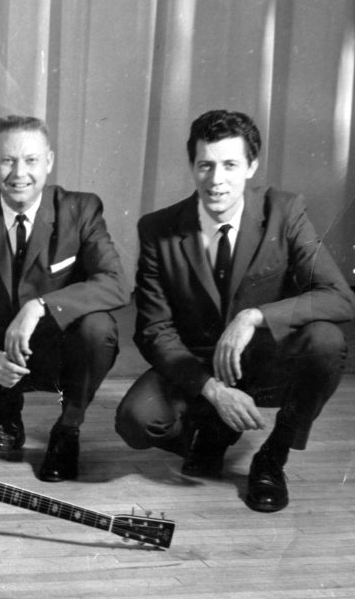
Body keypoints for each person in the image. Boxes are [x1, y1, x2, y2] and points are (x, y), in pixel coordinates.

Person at [116, 109, 353, 512]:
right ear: (192, 166)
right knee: (136, 421)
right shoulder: (158, 228)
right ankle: (213, 426)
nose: (216, 180)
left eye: (230, 165)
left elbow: (339, 295)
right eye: (205, 165)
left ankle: (272, 457)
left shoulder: (285, 210)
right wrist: (213, 390)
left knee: (326, 340)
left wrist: (255, 317)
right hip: (199, 364)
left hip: (266, 358)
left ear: (251, 166)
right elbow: (154, 330)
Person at [0, 115, 128, 482]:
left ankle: (68, 428)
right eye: (7, 160)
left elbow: (114, 284)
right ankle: (1, 406)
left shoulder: (80, 210)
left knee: (100, 329)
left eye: (31, 160)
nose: (19, 173)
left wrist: (41, 306)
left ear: (48, 161)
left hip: (55, 348)